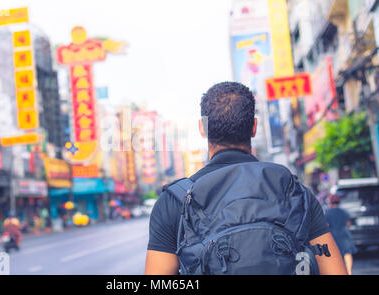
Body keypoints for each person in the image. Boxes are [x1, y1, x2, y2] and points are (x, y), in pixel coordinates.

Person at [145, 82, 348, 275]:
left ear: (203, 129)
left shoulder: (175, 201)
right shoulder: (293, 191)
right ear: (254, 127)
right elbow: (334, 270)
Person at [325, 194, 357, 275]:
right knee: (347, 253)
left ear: (330, 203)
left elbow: (326, 225)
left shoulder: (327, 212)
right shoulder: (344, 211)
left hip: (333, 235)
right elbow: (348, 224)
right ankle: (349, 272)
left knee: (334, 254)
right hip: (344, 235)